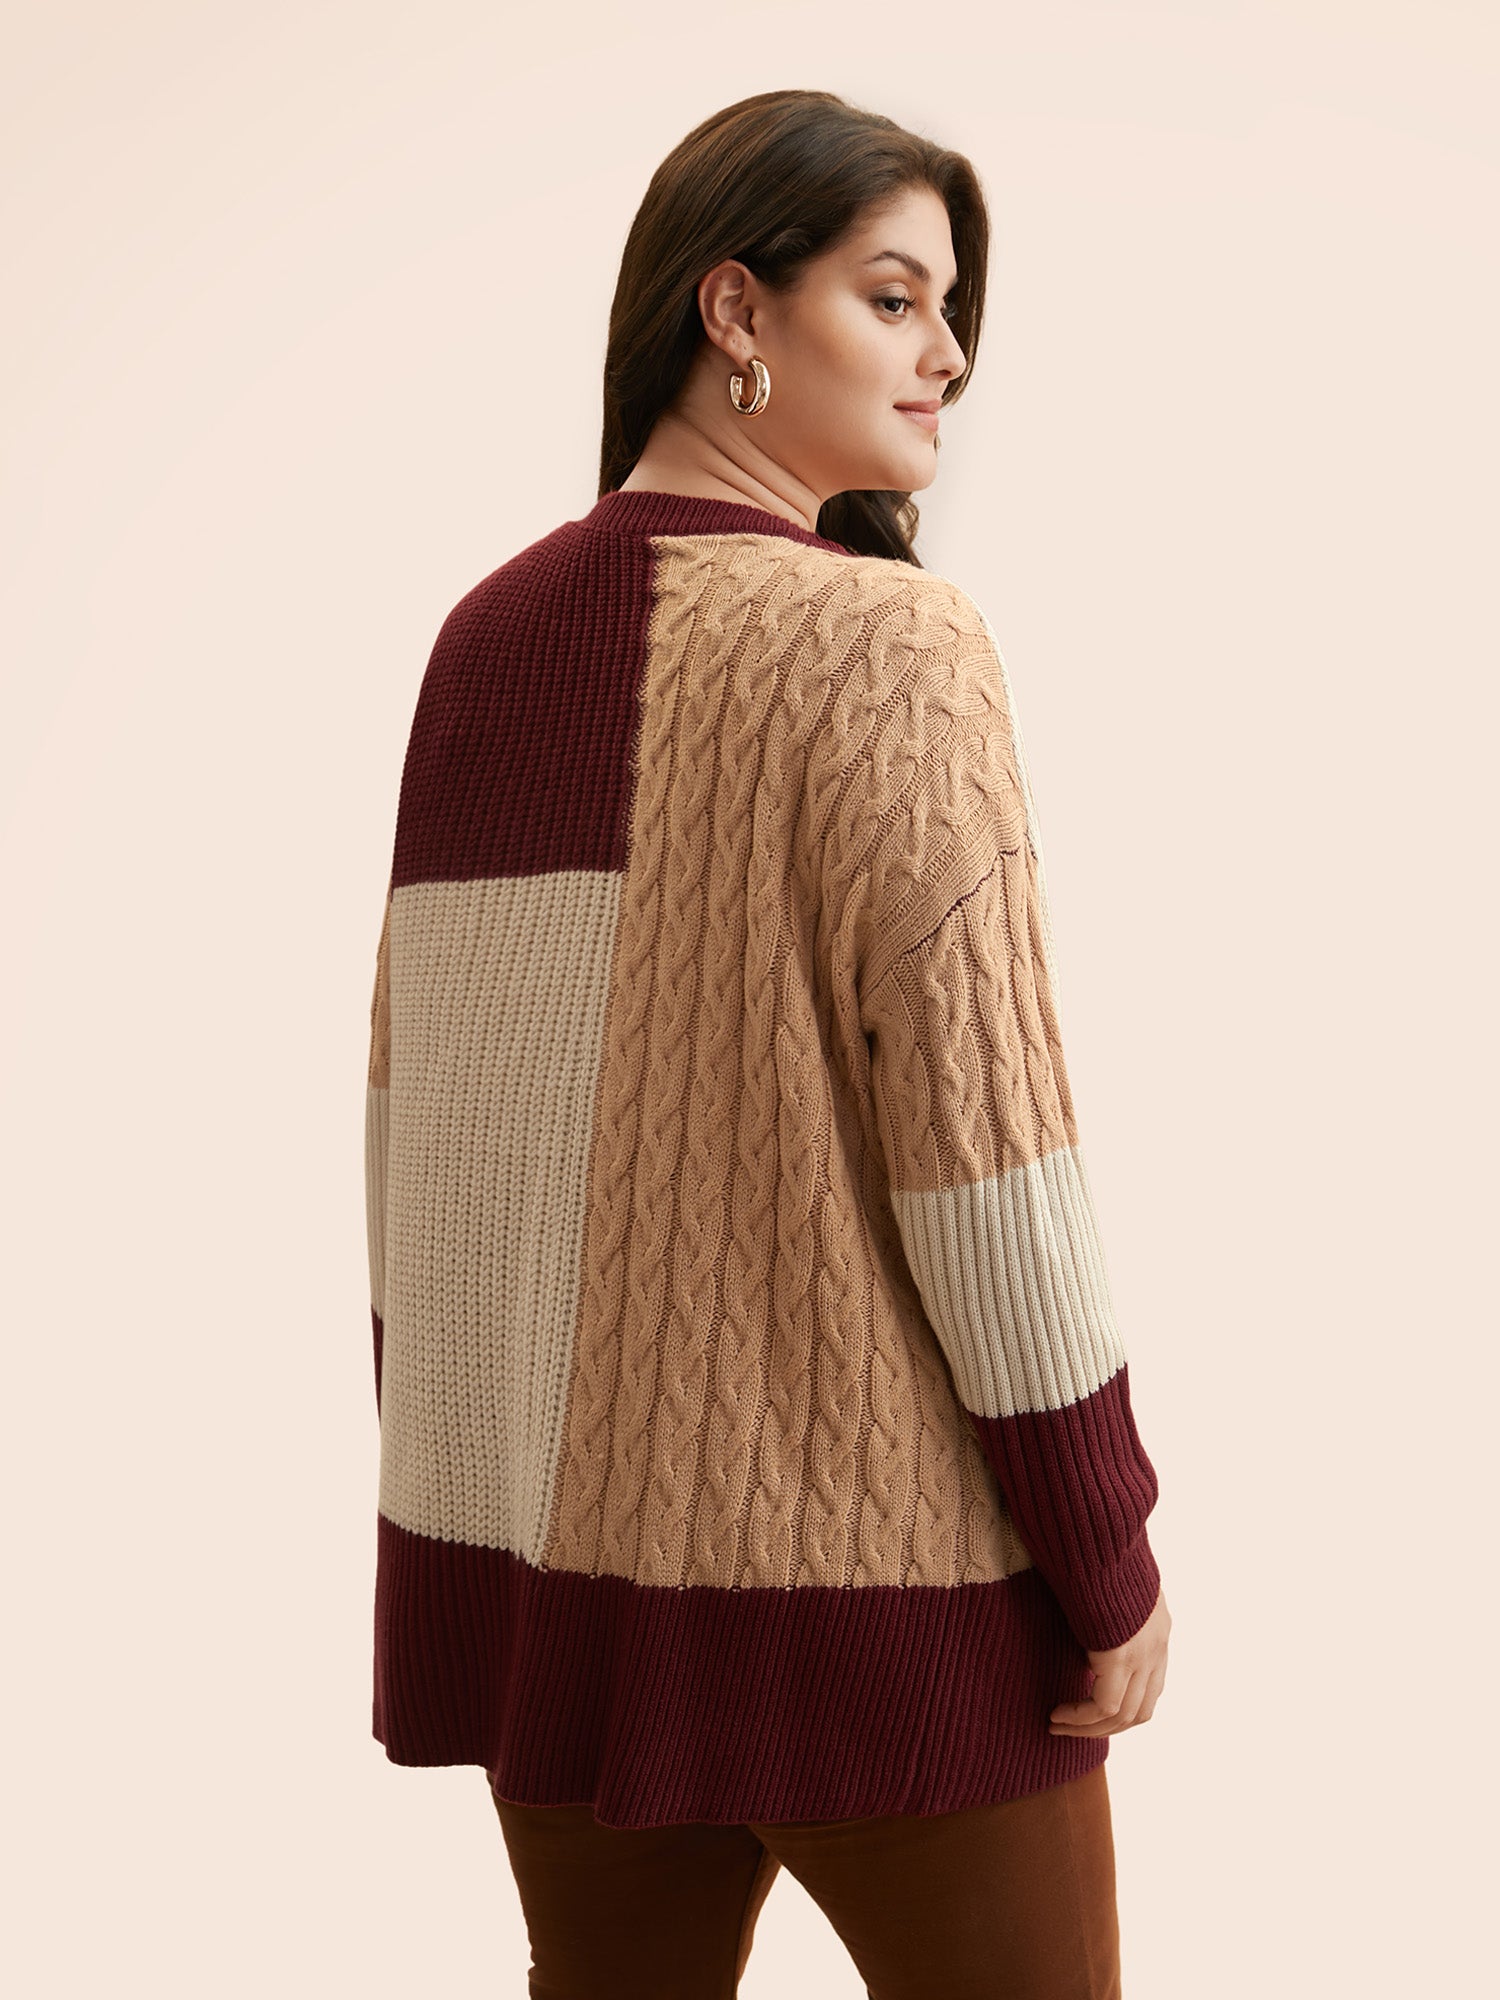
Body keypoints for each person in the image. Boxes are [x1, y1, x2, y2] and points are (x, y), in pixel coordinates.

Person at [362, 86, 1171, 2000]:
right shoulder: (890, 645)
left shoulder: (484, 643)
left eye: (951, 308)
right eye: (893, 298)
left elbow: (417, 1140)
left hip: (551, 1606)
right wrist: (1108, 1548)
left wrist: (472, 1535)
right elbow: (991, 1173)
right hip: (879, 1597)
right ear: (733, 309)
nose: (947, 355)